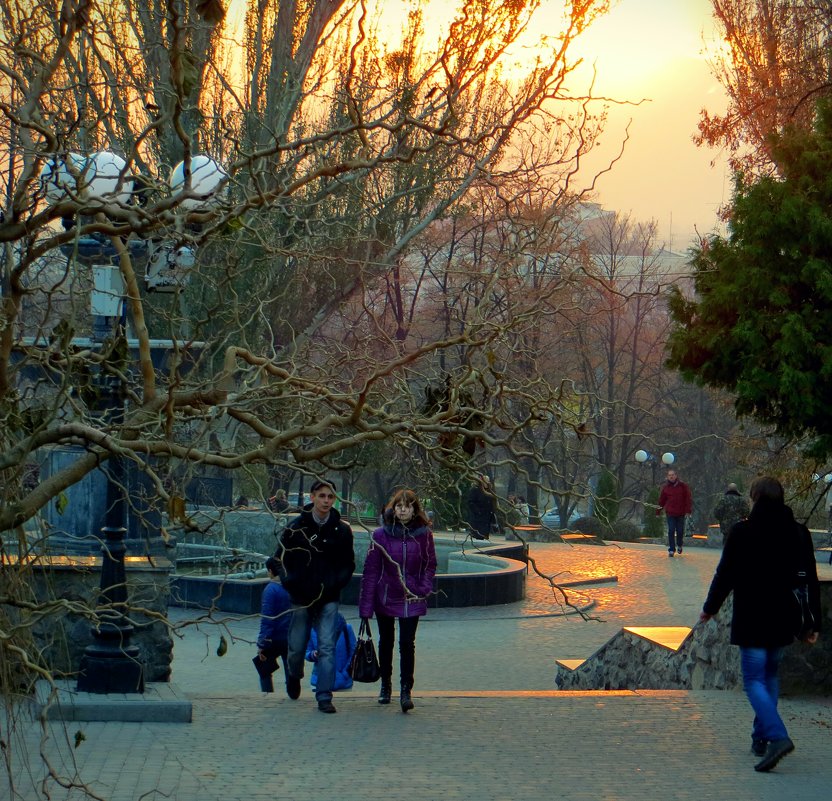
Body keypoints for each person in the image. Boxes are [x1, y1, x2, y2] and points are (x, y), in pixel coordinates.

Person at [699, 476, 821, 773]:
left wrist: (709, 609)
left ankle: (778, 737)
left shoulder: (743, 532)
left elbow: (724, 574)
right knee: (769, 676)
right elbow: (811, 581)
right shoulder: (799, 533)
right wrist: (813, 622)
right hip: (783, 618)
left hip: (753, 618)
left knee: (754, 680)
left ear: (753, 498)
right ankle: (760, 737)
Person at [276, 478, 355, 714]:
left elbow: (348, 564)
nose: (326, 501)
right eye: (322, 496)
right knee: (297, 647)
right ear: (312, 497)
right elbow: (279, 559)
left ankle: (324, 696)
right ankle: (294, 674)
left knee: (327, 646)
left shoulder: (342, 530)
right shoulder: (295, 527)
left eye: (330, 497)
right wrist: (290, 582)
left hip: (328, 596)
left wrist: (336, 583)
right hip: (300, 596)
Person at [358, 488, 438, 712]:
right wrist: (366, 607)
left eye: (408, 505)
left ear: (414, 510)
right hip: (386, 595)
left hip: (411, 596)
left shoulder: (423, 535)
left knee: (407, 644)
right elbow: (371, 570)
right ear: (393, 508)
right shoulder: (380, 535)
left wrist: (423, 587)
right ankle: (385, 685)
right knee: (386, 642)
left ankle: (406, 690)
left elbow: (430, 564)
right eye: (399, 505)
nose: (403, 509)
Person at [254, 557, 291, 693]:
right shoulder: (291, 587)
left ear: (270, 571)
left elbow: (267, 618)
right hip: (289, 637)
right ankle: (293, 693)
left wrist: (262, 643)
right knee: (290, 668)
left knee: (264, 666)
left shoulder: (270, 590)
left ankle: (268, 694)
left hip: (273, 639)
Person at [305, 612, 356, 692]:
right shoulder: (313, 629)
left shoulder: (346, 628)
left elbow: (354, 653)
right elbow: (307, 651)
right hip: (318, 681)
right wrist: (313, 654)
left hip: (343, 683)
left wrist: (345, 673)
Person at [656, 469, 693, 556]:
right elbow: (662, 501)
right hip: (670, 513)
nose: (671, 477)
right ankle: (671, 549)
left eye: (672, 475)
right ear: (667, 477)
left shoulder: (683, 486)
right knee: (671, 530)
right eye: (669, 475)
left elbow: (688, 499)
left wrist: (688, 511)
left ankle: (679, 545)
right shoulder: (666, 488)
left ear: (676, 476)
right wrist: (658, 511)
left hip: (680, 513)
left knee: (680, 531)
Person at [467, 474, 496, 540]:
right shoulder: (475, 490)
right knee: (478, 534)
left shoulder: (490, 491)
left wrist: (492, 512)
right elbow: (471, 502)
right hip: (478, 516)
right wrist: (478, 511)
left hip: (487, 516)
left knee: (485, 534)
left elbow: (492, 502)